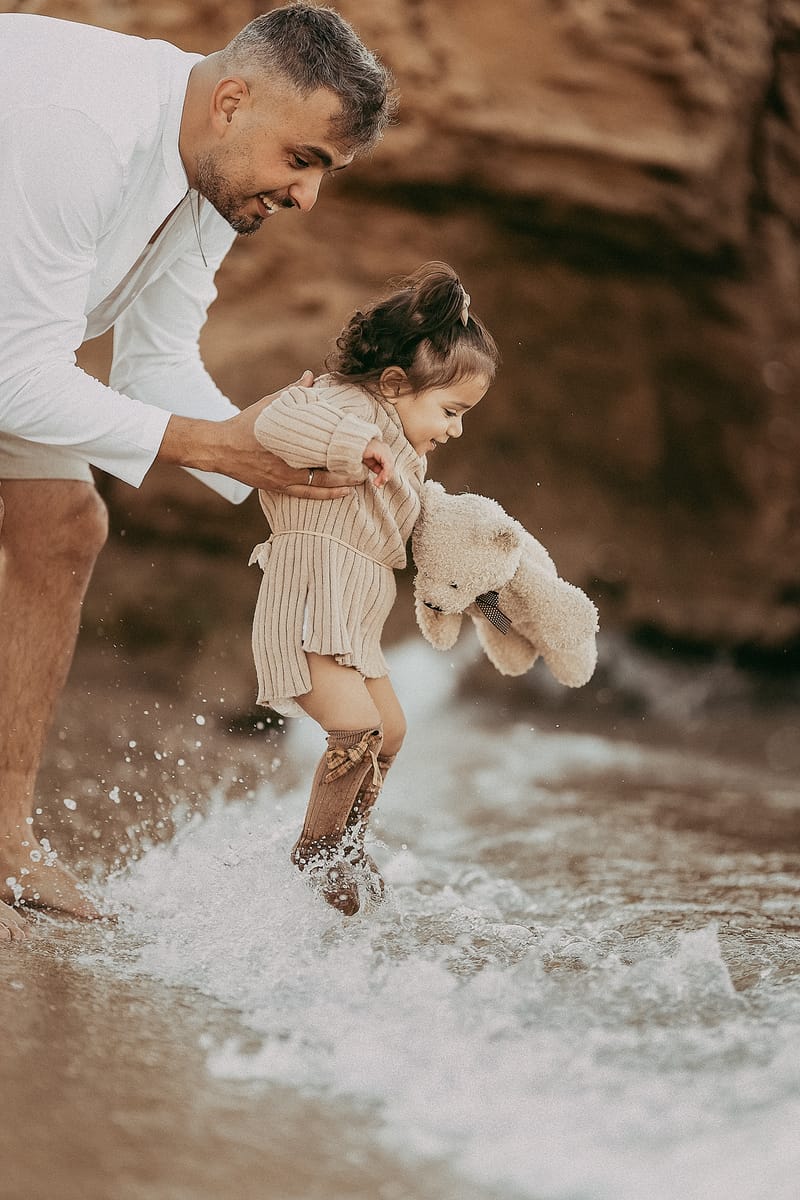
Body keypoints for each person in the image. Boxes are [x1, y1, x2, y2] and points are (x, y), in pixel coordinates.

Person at [0, 4, 395, 942]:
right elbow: (16, 379)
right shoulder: (81, 128)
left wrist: (300, 472)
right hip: (11, 348)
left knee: (62, 525)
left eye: (325, 175)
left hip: (11, 338)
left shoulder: (213, 177)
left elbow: (154, 365)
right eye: (303, 160)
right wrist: (218, 447)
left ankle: (4, 837)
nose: (307, 197)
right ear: (231, 103)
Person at [249, 262, 500, 916]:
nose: (456, 428)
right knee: (356, 729)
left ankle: (350, 840)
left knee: (390, 731)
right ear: (393, 385)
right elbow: (274, 425)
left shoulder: (407, 460)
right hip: (308, 598)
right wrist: (355, 439)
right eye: (450, 410)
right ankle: (317, 846)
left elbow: (421, 530)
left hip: (353, 614)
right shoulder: (342, 404)